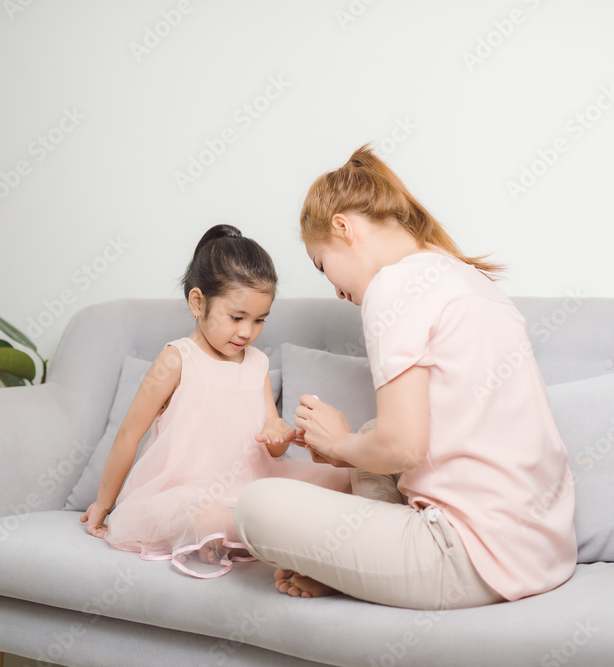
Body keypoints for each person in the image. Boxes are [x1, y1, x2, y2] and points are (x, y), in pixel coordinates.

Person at [233, 146, 577, 609]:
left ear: (343, 227)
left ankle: (353, 567)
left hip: (472, 557)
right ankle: (360, 568)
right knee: (371, 433)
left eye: (323, 265)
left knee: (256, 506)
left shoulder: (393, 287)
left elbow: (403, 448)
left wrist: (336, 444)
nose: (336, 290)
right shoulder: (470, 280)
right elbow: (410, 440)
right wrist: (352, 448)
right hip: (545, 553)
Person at [81, 224, 348, 578]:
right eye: (237, 317)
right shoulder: (177, 359)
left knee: (344, 479)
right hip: (185, 493)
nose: (246, 332)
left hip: (251, 488)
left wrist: (278, 435)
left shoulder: (257, 364)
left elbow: (273, 448)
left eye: (259, 321)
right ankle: (249, 532)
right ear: (198, 302)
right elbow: (129, 435)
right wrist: (103, 504)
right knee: (205, 513)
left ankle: (261, 529)